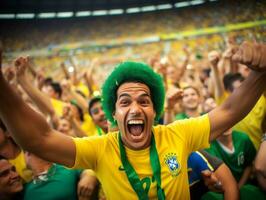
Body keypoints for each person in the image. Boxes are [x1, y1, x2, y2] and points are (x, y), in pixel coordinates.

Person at [0, 41, 265, 199]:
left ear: (155, 111)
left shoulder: (178, 134)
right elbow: (38, 138)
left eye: (144, 101)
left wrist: (259, 73)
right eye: (125, 102)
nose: (136, 109)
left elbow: (228, 111)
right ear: (114, 114)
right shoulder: (100, 149)